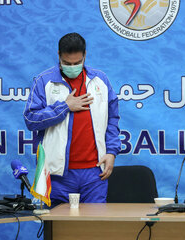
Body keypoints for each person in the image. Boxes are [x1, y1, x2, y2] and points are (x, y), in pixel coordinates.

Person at [23, 32, 121, 207]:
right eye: (67, 64)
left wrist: (112, 152)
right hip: (56, 174)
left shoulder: (100, 80)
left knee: (94, 230)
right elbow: (31, 119)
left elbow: (112, 119)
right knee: (57, 231)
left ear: (85, 56)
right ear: (59, 56)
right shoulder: (44, 81)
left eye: (77, 63)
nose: (72, 67)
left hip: (95, 173)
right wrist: (64, 107)